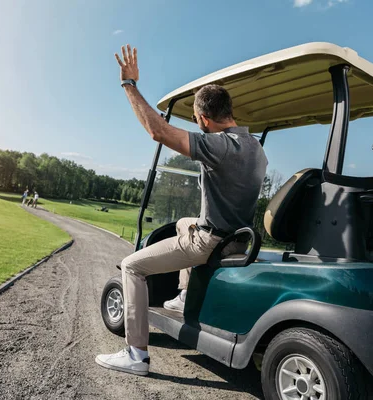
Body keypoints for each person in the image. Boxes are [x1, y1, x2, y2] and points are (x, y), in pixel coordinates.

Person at [95, 45, 268, 377]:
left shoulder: (219, 145)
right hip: (238, 238)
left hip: (209, 243)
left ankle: (136, 354)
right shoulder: (256, 148)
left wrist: (128, 84)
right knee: (184, 222)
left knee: (132, 267)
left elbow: (157, 131)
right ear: (229, 110)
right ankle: (185, 294)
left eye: (197, 121)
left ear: (203, 118)